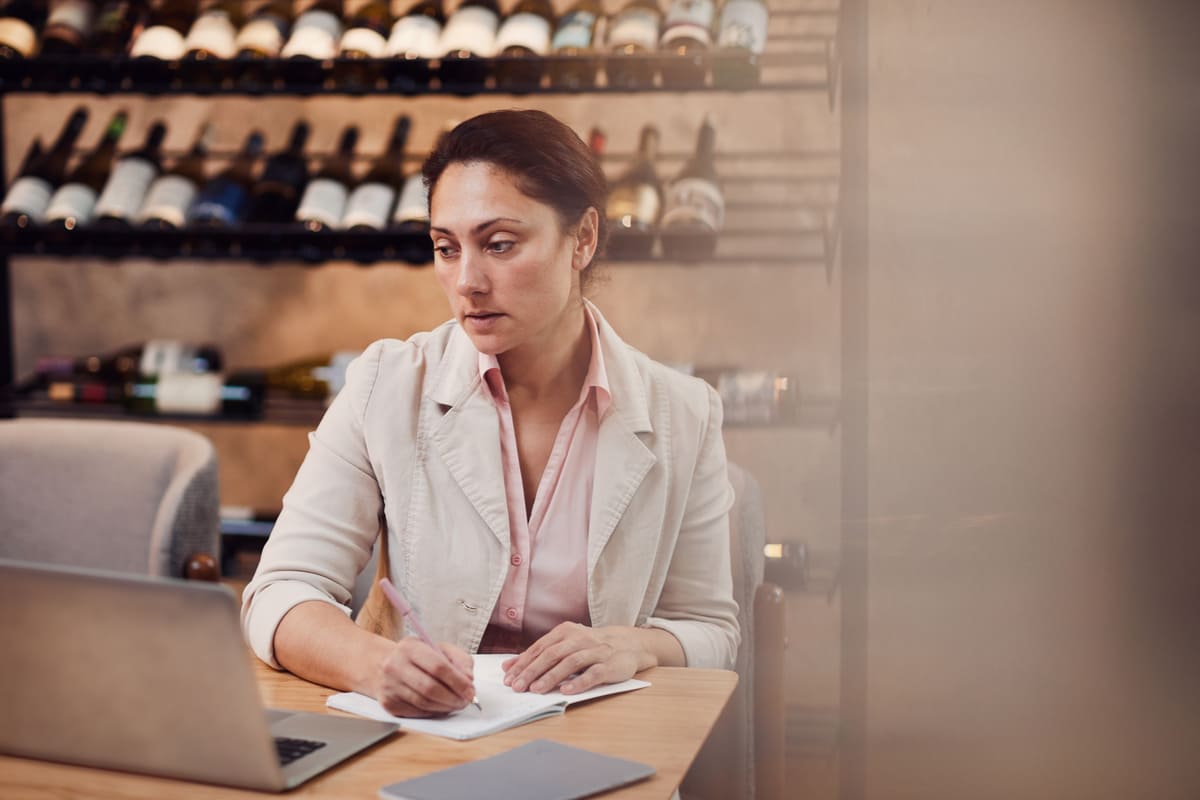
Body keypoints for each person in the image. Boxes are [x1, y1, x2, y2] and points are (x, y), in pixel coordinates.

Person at [241, 109, 739, 718]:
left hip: (600, 739)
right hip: (422, 740)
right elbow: (279, 592)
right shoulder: (386, 385)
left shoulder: (684, 415)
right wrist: (376, 665)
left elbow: (712, 631)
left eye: (499, 244)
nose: (467, 281)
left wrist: (630, 645)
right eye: (445, 249)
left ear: (581, 239)